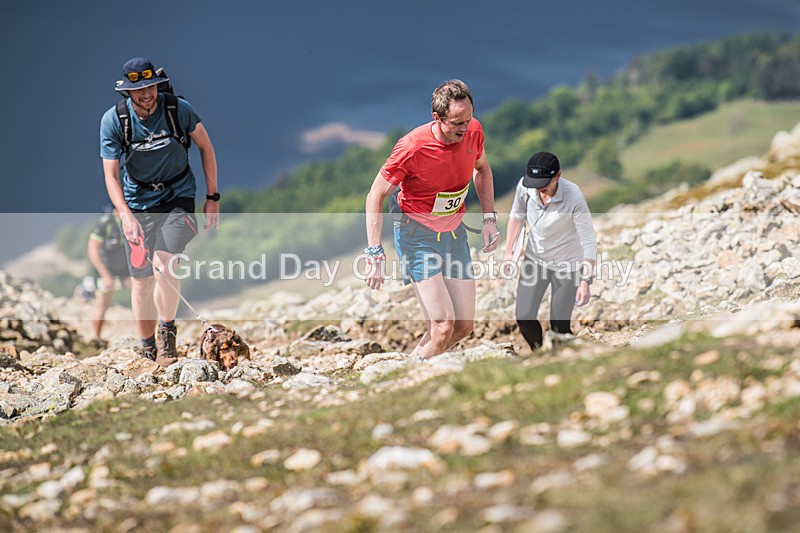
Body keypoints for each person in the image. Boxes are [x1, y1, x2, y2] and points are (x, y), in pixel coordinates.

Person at [364, 79, 499, 359]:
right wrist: (375, 251)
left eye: (469, 119)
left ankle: (414, 367)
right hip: (418, 236)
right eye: (457, 122)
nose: (465, 128)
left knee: (463, 326)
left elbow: (482, 169)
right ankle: (405, 382)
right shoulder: (412, 147)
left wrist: (489, 219)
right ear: (437, 118)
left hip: (454, 234)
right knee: (441, 326)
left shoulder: (473, 131)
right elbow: (375, 194)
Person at [100, 57, 220, 367]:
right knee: (141, 280)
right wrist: (125, 216)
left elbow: (206, 147)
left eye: (150, 86)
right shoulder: (115, 121)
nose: (146, 94)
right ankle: (147, 346)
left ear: (157, 84)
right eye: (138, 89)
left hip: (178, 196)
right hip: (137, 203)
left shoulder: (178, 109)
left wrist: (212, 197)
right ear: (127, 91)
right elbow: (111, 176)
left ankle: (167, 335)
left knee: (165, 265)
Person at [502, 151, 597, 351]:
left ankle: (569, 357)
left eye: (543, 185)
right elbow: (517, 216)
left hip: (567, 265)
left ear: (558, 176)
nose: (538, 190)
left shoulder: (573, 196)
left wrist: (585, 280)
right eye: (533, 185)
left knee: (559, 326)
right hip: (535, 260)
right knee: (524, 316)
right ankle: (540, 355)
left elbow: (589, 240)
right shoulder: (525, 186)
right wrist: (509, 252)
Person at [85, 207, 130, 345]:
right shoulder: (106, 222)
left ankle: (150, 335)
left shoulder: (131, 218)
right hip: (106, 268)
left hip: (126, 267)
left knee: (143, 294)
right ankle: (96, 338)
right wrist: (105, 275)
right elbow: (92, 249)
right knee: (102, 303)